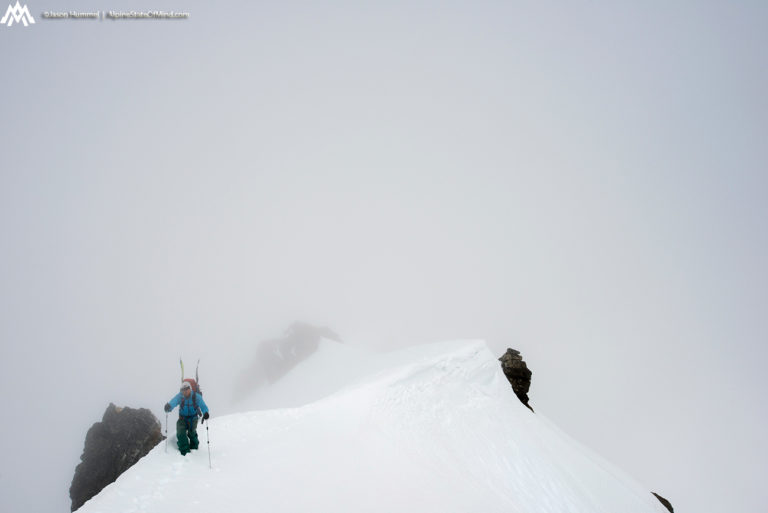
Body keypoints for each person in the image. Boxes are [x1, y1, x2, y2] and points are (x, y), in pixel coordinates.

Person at [164, 380, 210, 456]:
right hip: (182, 418)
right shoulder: (180, 396)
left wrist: (206, 412)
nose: (185, 392)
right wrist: (168, 407)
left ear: (190, 389)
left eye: (186, 389)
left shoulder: (196, 396)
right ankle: (185, 452)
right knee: (180, 433)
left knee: (192, 433)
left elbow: (203, 405)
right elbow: (174, 401)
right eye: (183, 390)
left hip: (193, 418)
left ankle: (194, 448)